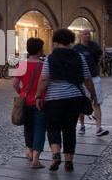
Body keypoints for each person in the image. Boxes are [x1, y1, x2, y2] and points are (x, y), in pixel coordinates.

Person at [35, 29, 97, 172]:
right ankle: (69, 161)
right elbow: (87, 78)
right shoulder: (80, 57)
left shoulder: (50, 58)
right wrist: (92, 94)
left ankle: (56, 154)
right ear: (71, 41)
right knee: (69, 129)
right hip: (74, 98)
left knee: (53, 127)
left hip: (54, 99)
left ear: (56, 41)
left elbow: (44, 79)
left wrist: (38, 96)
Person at [13, 38, 46, 169]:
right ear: (39, 51)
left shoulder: (22, 64)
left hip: (25, 100)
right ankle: (36, 160)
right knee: (39, 129)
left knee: (28, 127)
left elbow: (15, 83)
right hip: (40, 101)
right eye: (42, 49)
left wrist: (22, 92)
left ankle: (30, 152)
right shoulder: (43, 66)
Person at [73, 29, 109, 137]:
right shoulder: (76, 49)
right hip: (81, 79)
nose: (87, 36)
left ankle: (98, 127)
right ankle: (82, 125)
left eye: (89, 34)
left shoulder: (95, 46)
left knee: (96, 102)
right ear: (81, 35)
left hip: (94, 77)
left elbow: (98, 59)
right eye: (85, 34)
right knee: (82, 103)